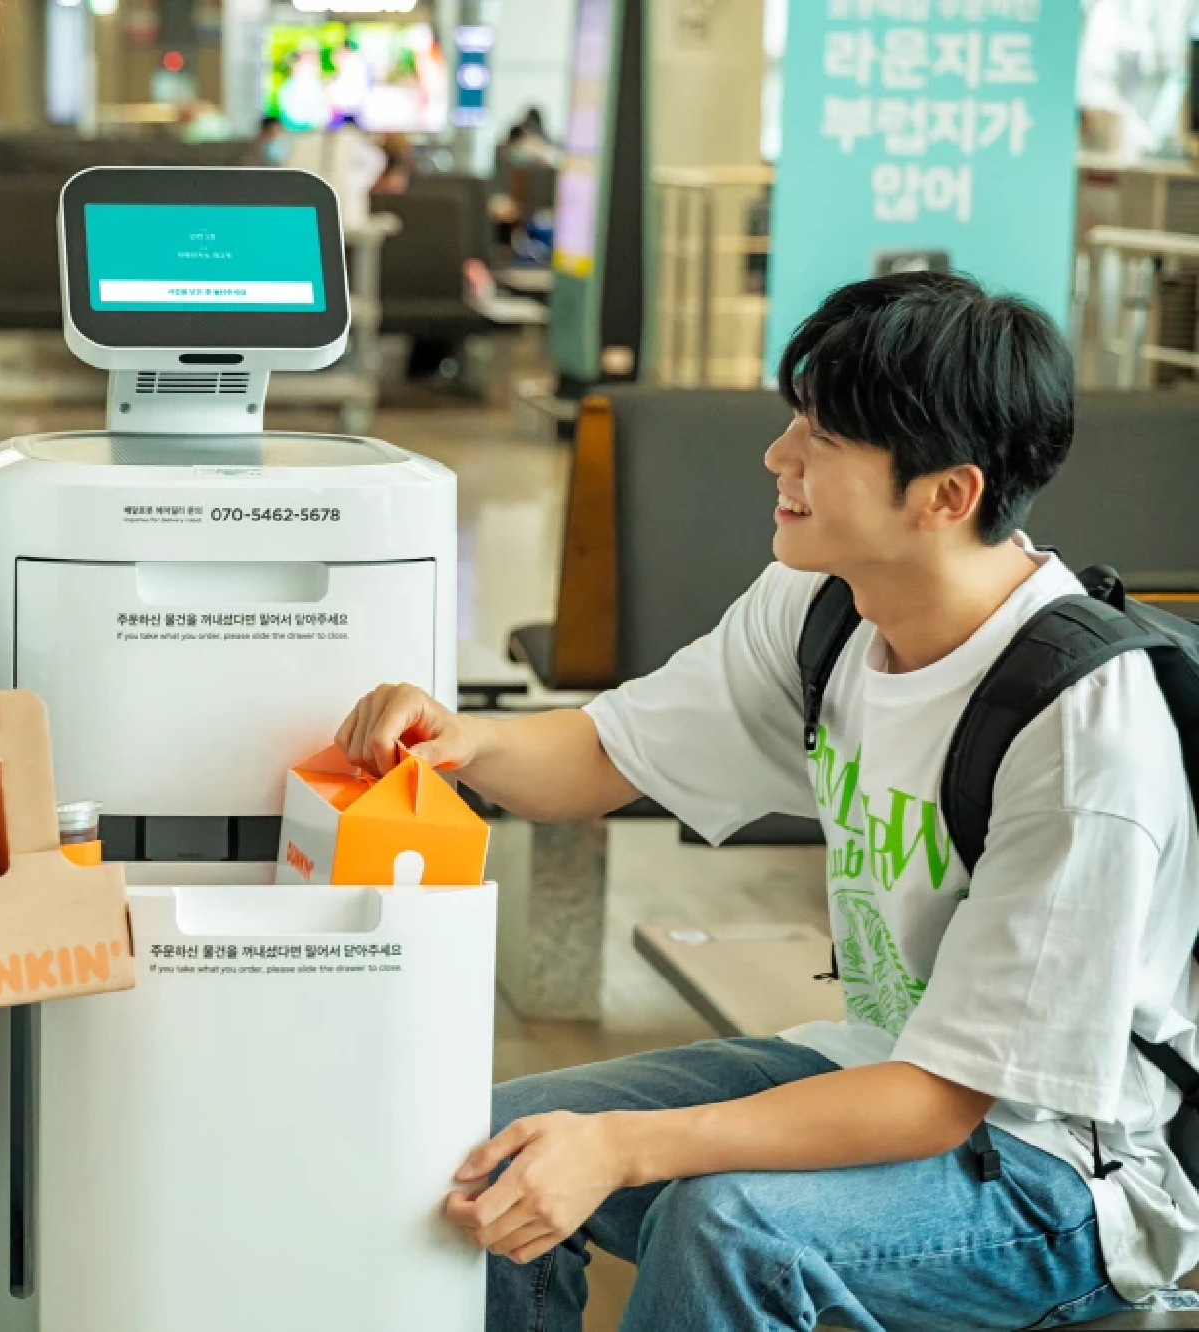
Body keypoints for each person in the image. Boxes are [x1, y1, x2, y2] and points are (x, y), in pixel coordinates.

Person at [337, 272, 1199, 1330]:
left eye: (822, 440)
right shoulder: (822, 602)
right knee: (483, 1146)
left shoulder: (1077, 734)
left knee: (726, 1224)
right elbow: (605, 755)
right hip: (882, 1063)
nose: (776, 456)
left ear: (945, 495)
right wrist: (460, 741)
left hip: (1057, 1176)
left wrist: (618, 1147)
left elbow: (942, 1099)